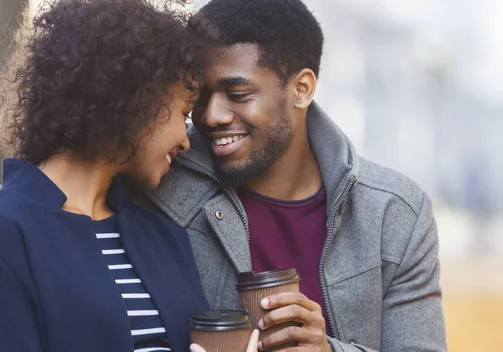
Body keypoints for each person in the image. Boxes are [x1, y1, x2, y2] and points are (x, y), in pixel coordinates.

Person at [142, 0, 447, 351]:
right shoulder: (160, 186)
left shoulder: (395, 214)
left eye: (238, 95)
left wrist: (329, 350)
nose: (211, 116)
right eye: (201, 96)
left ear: (301, 89)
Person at [0, 0, 260, 351]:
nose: (186, 141)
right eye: (183, 115)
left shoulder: (162, 235)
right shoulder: (9, 228)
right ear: (139, 100)